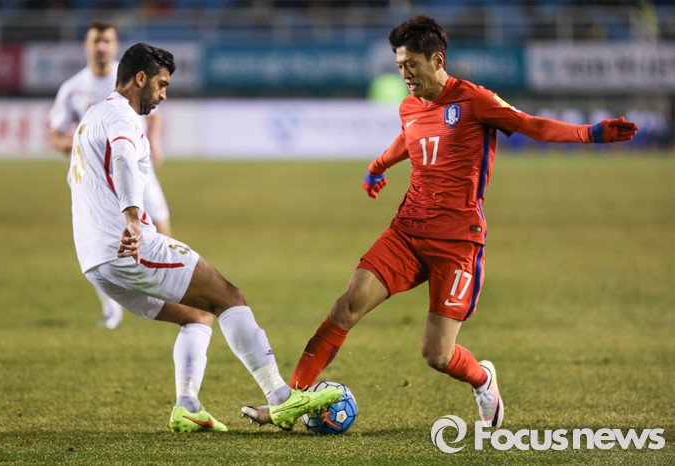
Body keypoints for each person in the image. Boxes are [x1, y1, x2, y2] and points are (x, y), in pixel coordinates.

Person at [241, 15, 638, 429]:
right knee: (345, 307)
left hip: (457, 242)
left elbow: (531, 124)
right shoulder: (409, 107)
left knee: (437, 354)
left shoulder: (475, 100)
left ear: (437, 60)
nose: (405, 74)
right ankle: (288, 402)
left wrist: (591, 133)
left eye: (411, 64)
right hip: (407, 232)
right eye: (399, 65)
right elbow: (409, 139)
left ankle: (482, 379)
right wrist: (377, 167)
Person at [67, 42, 342, 433]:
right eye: (162, 84)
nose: (164, 95)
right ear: (140, 78)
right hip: (127, 245)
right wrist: (131, 219)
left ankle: (188, 405)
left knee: (196, 316)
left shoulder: (93, 116)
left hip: (94, 260)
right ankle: (281, 397)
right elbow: (124, 158)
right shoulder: (121, 116)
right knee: (228, 297)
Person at [49, 20, 173, 329]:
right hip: (98, 173)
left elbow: (154, 116)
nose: (102, 47)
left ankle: (166, 284)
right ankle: (112, 303)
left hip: (135, 162)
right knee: (101, 235)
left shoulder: (131, 76)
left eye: (107, 41)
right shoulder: (73, 88)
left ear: (115, 45)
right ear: (87, 46)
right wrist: (70, 145)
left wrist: (156, 143)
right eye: (96, 41)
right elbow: (55, 131)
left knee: (161, 221)